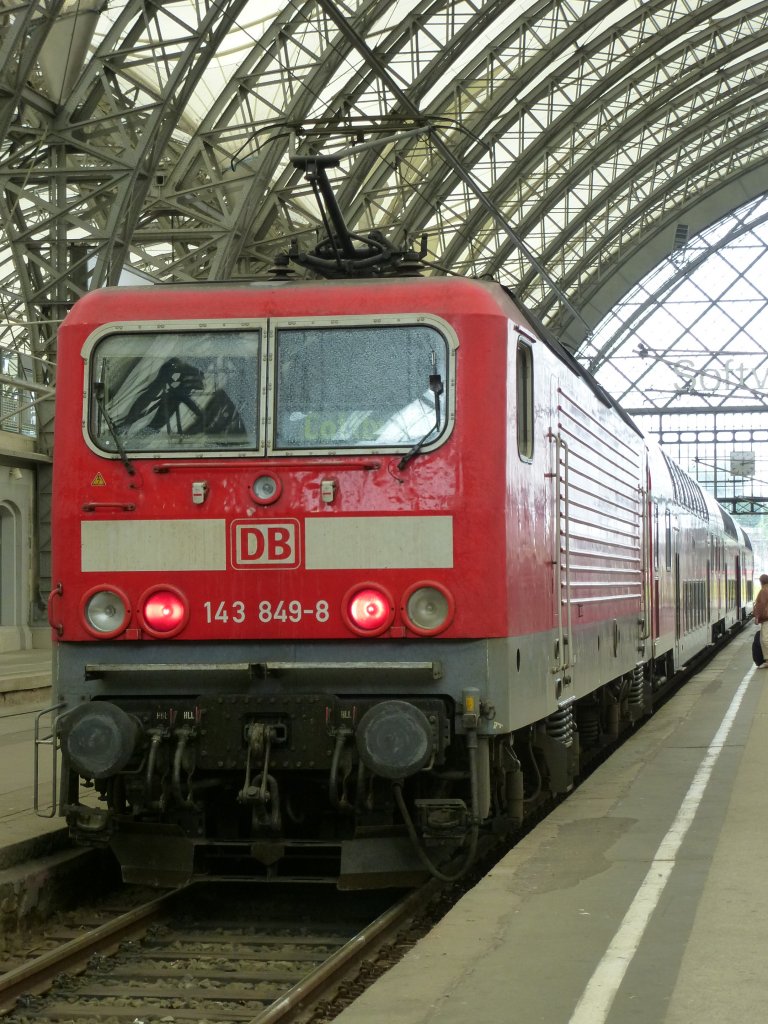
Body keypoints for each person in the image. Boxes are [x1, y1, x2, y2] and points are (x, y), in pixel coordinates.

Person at [754, 573, 768, 667]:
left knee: (764, 639)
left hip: (766, 618)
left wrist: (757, 617)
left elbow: (762, 605)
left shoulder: (764, 590)